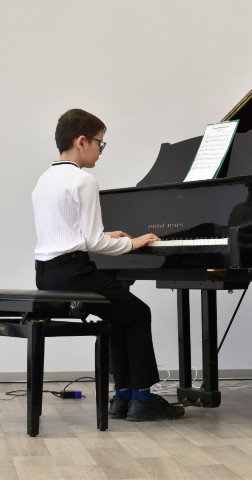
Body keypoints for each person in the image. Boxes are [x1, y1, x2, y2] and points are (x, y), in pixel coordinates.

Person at [32, 108, 185, 422]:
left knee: (119, 314)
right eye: (100, 143)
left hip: (47, 274)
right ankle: (142, 399)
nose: (101, 151)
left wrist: (105, 235)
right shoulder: (83, 180)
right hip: (74, 273)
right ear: (82, 141)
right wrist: (134, 242)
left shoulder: (44, 180)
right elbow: (97, 244)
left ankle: (123, 397)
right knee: (139, 313)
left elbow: (72, 235)